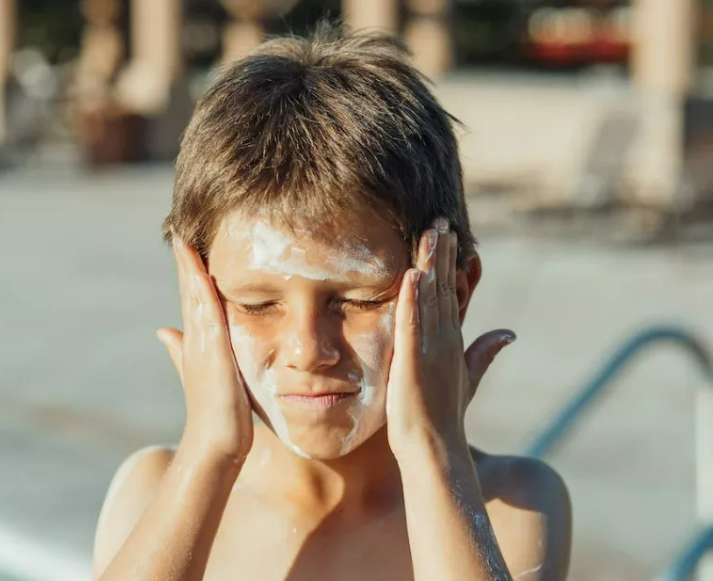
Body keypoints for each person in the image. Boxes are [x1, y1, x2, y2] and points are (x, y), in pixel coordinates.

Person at [91, 22, 572, 581]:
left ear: (455, 294)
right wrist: (209, 452)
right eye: (256, 304)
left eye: (357, 298)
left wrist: (432, 458)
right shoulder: (155, 492)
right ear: (197, 300)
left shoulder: (510, 505)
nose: (308, 350)